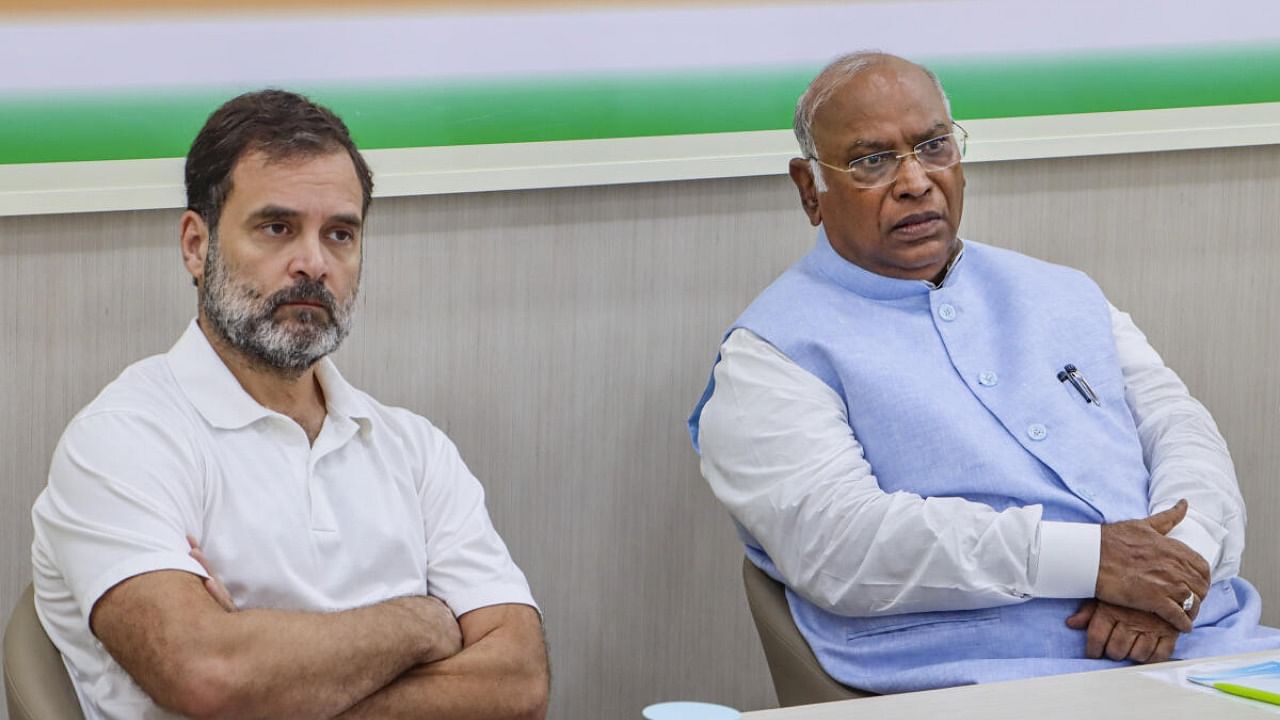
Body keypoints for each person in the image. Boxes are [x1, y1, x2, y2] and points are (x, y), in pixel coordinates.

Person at [688, 51, 1280, 694]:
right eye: (871, 160)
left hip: (1205, 645)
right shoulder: (771, 354)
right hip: (980, 678)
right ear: (810, 189)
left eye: (933, 146)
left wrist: (1174, 568)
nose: (915, 181)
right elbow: (842, 546)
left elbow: (1182, 429)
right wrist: (1094, 563)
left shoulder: (1064, 293)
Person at [31, 90, 549, 719]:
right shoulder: (122, 442)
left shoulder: (415, 450)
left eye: (340, 234)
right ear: (196, 245)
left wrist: (281, 680)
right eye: (277, 227)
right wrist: (424, 623)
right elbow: (210, 676)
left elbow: (519, 682)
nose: (314, 264)